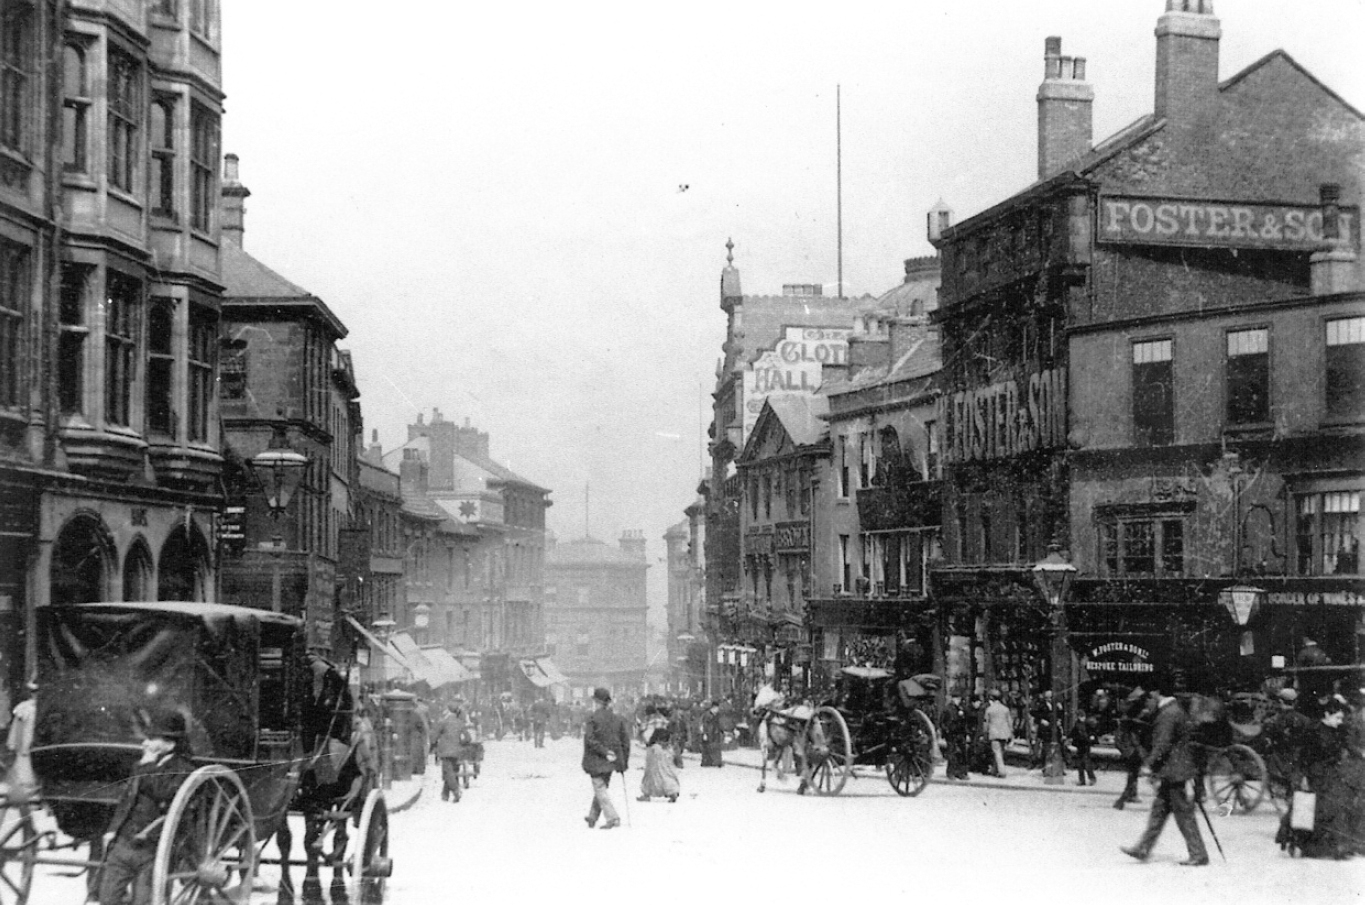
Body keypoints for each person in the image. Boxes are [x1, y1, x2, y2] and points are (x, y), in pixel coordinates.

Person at [98, 711, 197, 905]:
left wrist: (149, 766)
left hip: (154, 850)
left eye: (152, 739)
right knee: (107, 899)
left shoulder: (184, 770)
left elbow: (163, 793)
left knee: (144, 901)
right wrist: (111, 830)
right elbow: (127, 801)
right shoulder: (141, 765)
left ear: (170, 744)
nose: (144, 743)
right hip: (124, 844)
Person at [1121, 685, 1209, 867]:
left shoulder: (1168, 714)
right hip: (1174, 770)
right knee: (1158, 812)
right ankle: (1143, 848)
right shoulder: (1174, 710)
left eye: (1149, 700)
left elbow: (1162, 744)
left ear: (1155, 693)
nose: (1147, 705)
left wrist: (1148, 765)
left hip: (1173, 771)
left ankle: (1198, 854)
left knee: (1183, 815)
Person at [1279, 696, 1357, 858]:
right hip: (1315, 774)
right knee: (1318, 807)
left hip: (1332, 773)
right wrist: (1303, 778)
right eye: (1337, 717)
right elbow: (1303, 757)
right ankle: (1309, 845)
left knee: (1339, 804)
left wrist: (1361, 754)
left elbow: (1348, 747)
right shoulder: (1313, 732)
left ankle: (1335, 847)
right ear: (1327, 714)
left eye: (1342, 718)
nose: (1340, 721)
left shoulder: (1338, 732)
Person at [582, 687, 629, 829]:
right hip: (612, 761)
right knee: (601, 787)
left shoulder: (592, 718)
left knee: (600, 788)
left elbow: (589, 740)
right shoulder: (618, 719)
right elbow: (625, 742)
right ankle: (592, 816)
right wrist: (623, 762)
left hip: (596, 760)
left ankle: (613, 818)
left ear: (597, 702)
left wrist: (604, 751)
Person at [1113, 686, 1151, 810]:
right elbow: (1131, 733)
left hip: (1131, 747)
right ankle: (1125, 797)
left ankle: (1129, 795)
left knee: (1133, 773)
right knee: (1133, 773)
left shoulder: (1130, 713)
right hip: (1132, 748)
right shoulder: (1131, 716)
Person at [431, 702, 469, 803]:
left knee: (448, 773)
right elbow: (468, 738)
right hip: (457, 752)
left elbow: (434, 738)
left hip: (445, 752)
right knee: (452, 772)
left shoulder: (443, 722)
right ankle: (445, 795)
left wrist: (433, 746)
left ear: (448, 711)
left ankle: (456, 791)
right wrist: (460, 743)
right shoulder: (460, 723)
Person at [637, 720, 680, 803]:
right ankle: (672, 792)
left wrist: (641, 731)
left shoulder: (652, 731)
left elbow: (647, 743)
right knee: (667, 774)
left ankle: (646, 794)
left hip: (654, 754)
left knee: (650, 776)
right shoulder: (667, 735)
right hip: (666, 755)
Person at [1031, 689, 1065, 771]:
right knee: (1046, 749)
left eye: (1050, 697)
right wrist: (1041, 720)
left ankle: (1059, 768)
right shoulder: (1041, 705)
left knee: (1058, 748)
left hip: (1055, 729)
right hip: (1045, 729)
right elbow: (1035, 715)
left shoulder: (1057, 705)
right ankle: (1045, 767)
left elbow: (1061, 715)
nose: (1049, 699)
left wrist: (1059, 720)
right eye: (1047, 698)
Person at [940, 691, 971, 780]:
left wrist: (967, 732)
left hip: (961, 733)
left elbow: (965, 722)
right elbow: (942, 722)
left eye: (959, 699)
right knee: (952, 753)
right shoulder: (947, 709)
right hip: (951, 734)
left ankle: (962, 772)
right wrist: (946, 731)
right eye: (956, 699)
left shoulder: (962, 708)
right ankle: (951, 773)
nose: (957, 700)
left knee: (962, 754)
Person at [984, 689, 1012, 778]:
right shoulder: (1005, 709)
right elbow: (1010, 722)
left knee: (997, 753)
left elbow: (986, 723)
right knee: (1001, 752)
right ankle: (994, 770)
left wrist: (985, 733)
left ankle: (1002, 771)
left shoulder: (989, 709)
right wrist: (1011, 733)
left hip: (994, 733)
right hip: (1004, 733)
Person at [1070, 709, 1098, 786]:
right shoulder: (1078, 724)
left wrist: (1091, 737)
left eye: (1082, 716)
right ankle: (1083, 780)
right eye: (1080, 716)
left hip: (1085, 745)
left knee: (1086, 763)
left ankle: (1091, 779)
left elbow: (1092, 732)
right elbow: (1073, 733)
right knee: (1081, 764)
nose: (1081, 718)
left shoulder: (1087, 724)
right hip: (1081, 745)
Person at [699, 700, 724, 767]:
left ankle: (716, 762)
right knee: (708, 748)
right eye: (716, 708)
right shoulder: (707, 715)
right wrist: (704, 734)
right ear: (713, 708)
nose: (717, 710)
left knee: (715, 747)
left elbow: (719, 723)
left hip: (715, 733)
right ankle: (707, 762)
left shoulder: (717, 715)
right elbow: (704, 724)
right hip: (709, 733)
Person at [667, 702, 690, 768]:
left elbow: (686, 728)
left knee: (681, 750)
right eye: (680, 710)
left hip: (682, 736)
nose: (681, 712)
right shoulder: (673, 718)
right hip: (675, 736)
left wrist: (687, 738)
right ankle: (680, 764)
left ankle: (675, 761)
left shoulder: (684, 718)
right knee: (677, 750)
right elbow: (669, 727)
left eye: (683, 711)